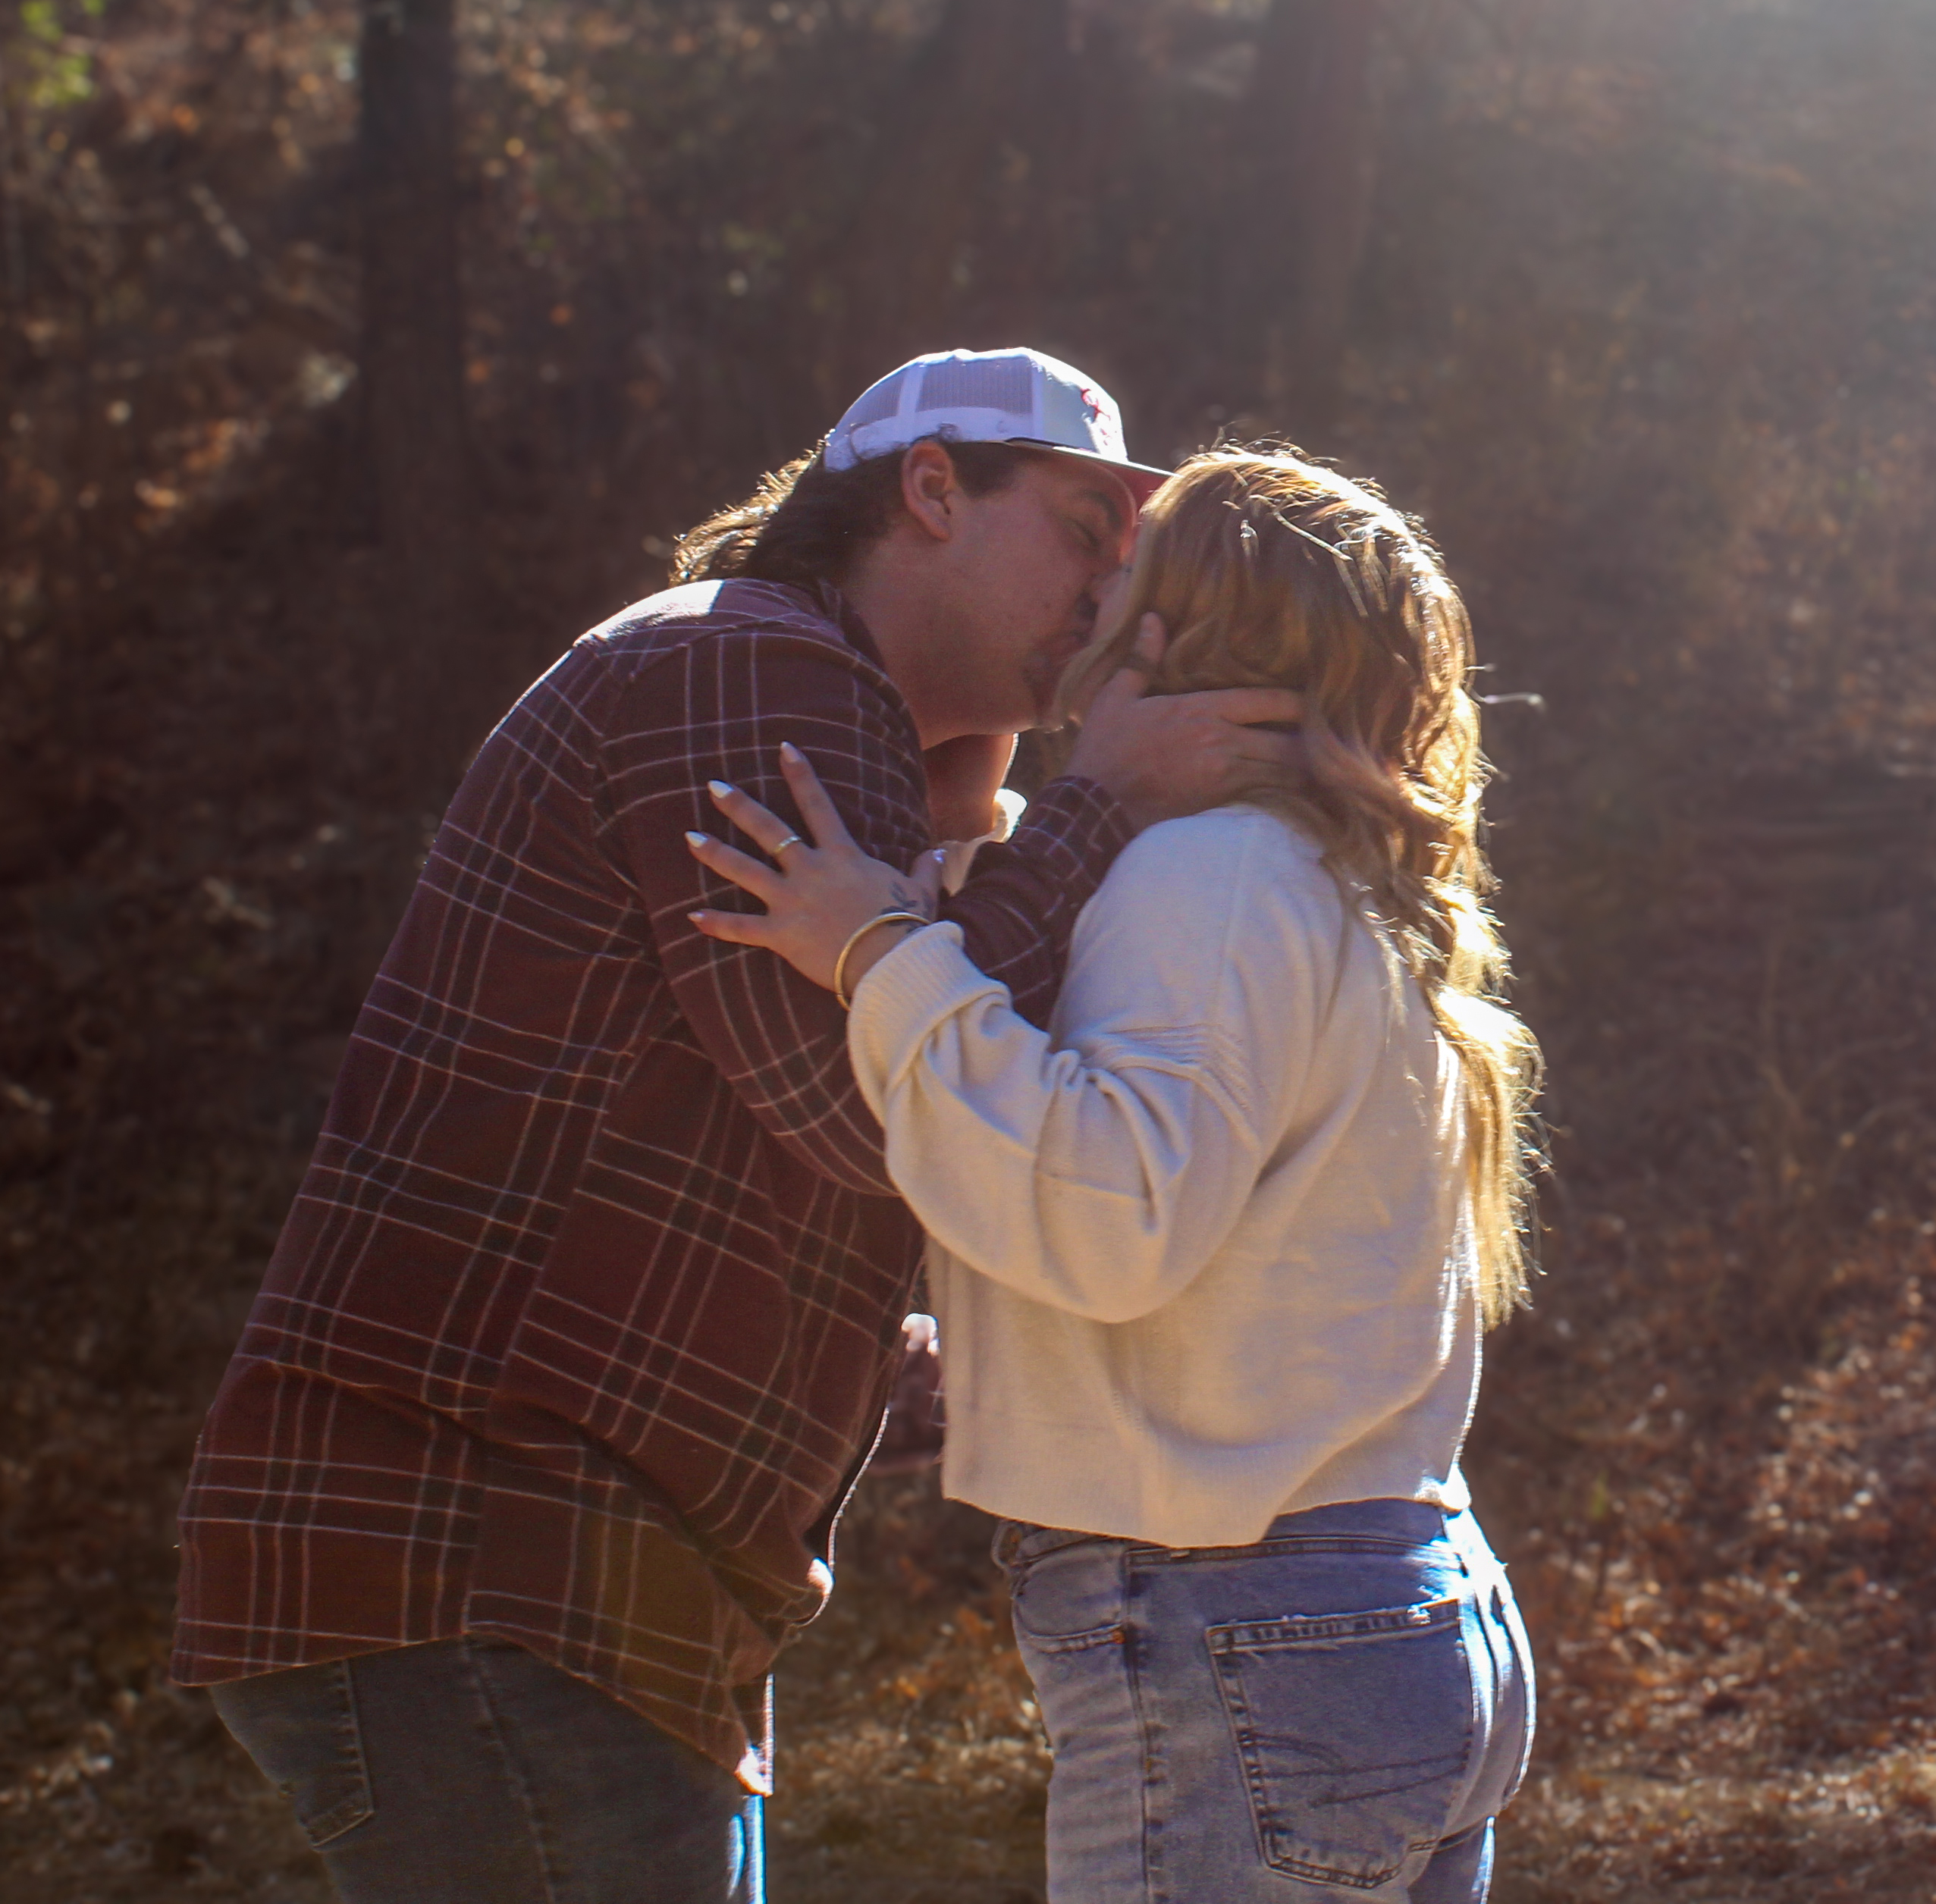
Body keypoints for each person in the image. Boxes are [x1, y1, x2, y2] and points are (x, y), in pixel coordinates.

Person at [172, 349, 1307, 1904]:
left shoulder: (808, 709)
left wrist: (976, 825)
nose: (1117, 583)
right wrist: (1099, 797)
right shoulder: (752, 667)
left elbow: (817, 1169)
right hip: (489, 1561)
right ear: (928, 491)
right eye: (1083, 523)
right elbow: (878, 1105)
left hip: (579, 1599)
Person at [688, 447, 1544, 1903]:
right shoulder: (1347, 892)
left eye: (1125, 567)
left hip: (1241, 1623)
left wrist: (878, 957)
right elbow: (1207, 1248)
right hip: (1395, 1608)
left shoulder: (1206, 878)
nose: (1090, 589)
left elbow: (1108, 1216)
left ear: (1175, 627)